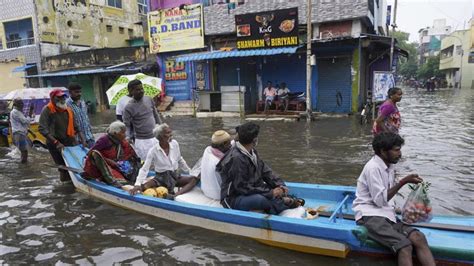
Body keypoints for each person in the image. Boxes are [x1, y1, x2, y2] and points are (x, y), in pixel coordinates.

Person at [352, 132, 435, 266]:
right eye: (396, 150)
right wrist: (403, 182)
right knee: (404, 246)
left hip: (387, 215)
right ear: (383, 151)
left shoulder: (389, 165)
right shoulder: (372, 168)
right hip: (370, 216)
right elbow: (379, 200)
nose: (400, 153)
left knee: (419, 238)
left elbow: (386, 198)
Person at [217, 122, 304, 214]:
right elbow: (242, 187)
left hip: (251, 187)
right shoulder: (236, 158)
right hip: (234, 197)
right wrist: (271, 193)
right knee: (260, 200)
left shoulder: (252, 151)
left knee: (272, 188)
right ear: (254, 140)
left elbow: (265, 170)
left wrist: (279, 184)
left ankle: (282, 200)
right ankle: (284, 202)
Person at [129, 124, 197, 198]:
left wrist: (190, 171)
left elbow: (180, 159)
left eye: (170, 132)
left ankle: (175, 195)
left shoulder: (175, 144)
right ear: (161, 137)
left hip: (175, 176)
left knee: (194, 179)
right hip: (161, 179)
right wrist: (137, 184)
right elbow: (145, 169)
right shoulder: (153, 151)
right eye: (168, 133)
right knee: (143, 187)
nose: (171, 135)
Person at [39, 89, 87, 181]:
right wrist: (56, 142)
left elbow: (77, 127)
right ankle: (64, 187)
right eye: (59, 97)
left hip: (68, 141)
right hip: (54, 142)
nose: (62, 99)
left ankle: (73, 184)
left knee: (74, 164)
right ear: (53, 98)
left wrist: (83, 140)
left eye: (63, 97)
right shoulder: (47, 110)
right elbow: (42, 129)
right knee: (63, 168)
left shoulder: (68, 110)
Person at [83, 121, 140, 187]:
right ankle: (110, 180)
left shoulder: (120, 141)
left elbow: (129, 153)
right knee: (122, 182)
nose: (125, 135)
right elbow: (91, 153)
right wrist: (108, 161)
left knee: (127, 146)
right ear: (115, 133)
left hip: (115, 164)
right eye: (123, 133)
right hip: (102, 166)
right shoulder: (104, 140)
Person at [123, 79, 163, 160]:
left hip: (155, 137)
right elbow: (126, 125)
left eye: (142, 88)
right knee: (145, 164)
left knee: (160, 161)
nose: (141, 91)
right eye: (138, 89)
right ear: (131, 91)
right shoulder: (128, 107)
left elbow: (156, 115)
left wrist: (162, 128)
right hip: (142, 141)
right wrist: (127, 138)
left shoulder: (149, 99)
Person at [199, 130, 232, 200]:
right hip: (217, 195)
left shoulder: (207, 150)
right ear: (224, 144)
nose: (231, 146)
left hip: (206, 190)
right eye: (229, 144)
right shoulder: (219, 162)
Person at [66, 83, 95, 147]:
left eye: (80, 92)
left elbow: (86, 119)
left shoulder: (83, 103)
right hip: (77, 140)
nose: (79, 94)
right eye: (76, 92)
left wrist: (91, 134)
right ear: (70, 92)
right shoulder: (66, 105)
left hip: (89, 138)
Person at [10, 98, 33, 163]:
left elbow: (22, 124)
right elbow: (25, 121)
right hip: (19, 134)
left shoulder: (17, 112)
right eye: (20, 103)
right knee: (24, 151)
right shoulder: (15, 112)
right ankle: (24, 167)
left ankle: (23, 166)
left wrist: (30, 131)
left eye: (22, 103)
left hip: (20, 134)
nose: (22, 104)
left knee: (24, 152)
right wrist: (30, 112)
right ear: (15, 104)